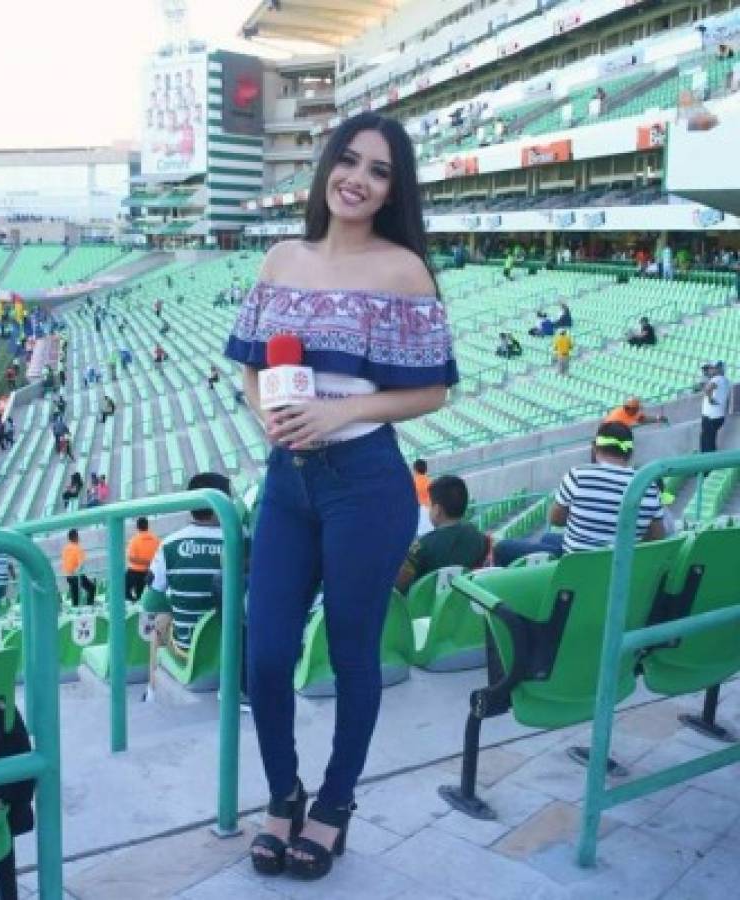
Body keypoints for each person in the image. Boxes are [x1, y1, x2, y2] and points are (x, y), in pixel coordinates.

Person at [225, 112, 457, 879]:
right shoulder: (281, 256)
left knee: (352, 652)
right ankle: (282, 792)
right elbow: (251, 362)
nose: (358, 177)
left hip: (366, 482)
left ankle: (333, 803)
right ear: (327, 166)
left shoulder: (403, 269)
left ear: (395, 189)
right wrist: (268, 412)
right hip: (287, 481)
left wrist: (338, 410)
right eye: (349, 160)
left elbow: (431, 392)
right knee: (264, 654)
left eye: (380, 170)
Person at [493, 422, 664, 566]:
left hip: (576, 564)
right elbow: (657, 536)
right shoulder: (648, 485)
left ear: (595, 447)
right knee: (549, 538)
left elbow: (556, 519)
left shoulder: (578, 475)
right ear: (630, 453)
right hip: (621, 565)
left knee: (502, 548)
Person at [144, 472, 231, 656]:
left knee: (159, 621)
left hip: (189, 652)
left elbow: (150, 602)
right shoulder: (243, 539)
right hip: (235, 650)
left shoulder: (169, 544)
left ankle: (153, 683)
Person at [396, 475, 487, 593]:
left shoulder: (422, 546)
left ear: (437, 510)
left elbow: (399, 586)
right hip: (464, 603)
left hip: (424, 609)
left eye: (430, 505)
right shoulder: (478, 536)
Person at [125, 517, 161, 602]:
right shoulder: (156, 539)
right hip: (150, 571)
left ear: (137, 527)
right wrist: (150, 562)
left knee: (123, 589)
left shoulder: (134, 540)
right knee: (141, 595)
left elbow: (131, 558)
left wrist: (144, 562)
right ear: (147, 526)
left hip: (135, 571)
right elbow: (160, 556)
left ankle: (134, 602)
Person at [700, 361, 731, 453]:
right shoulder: (725, 380)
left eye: (711, 368)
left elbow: (708, 389)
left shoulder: (717, 379)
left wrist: (710, 399)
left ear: (718, 369)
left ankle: (708, 463)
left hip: (711, 417)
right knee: (710, 440)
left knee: (706, 442)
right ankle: (711, 461)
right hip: (718, 415)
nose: (709, 371)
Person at [61, 528, 96, 606]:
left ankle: (75, 608)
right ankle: (89, 605)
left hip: (68, 575)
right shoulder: (78, 548)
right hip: (76, 575)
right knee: (91, 588)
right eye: (78, 536)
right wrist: (77, 572)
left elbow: (65, 562)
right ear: (76, 537)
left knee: (75, 594)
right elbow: (81, 564)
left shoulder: (65, 549)